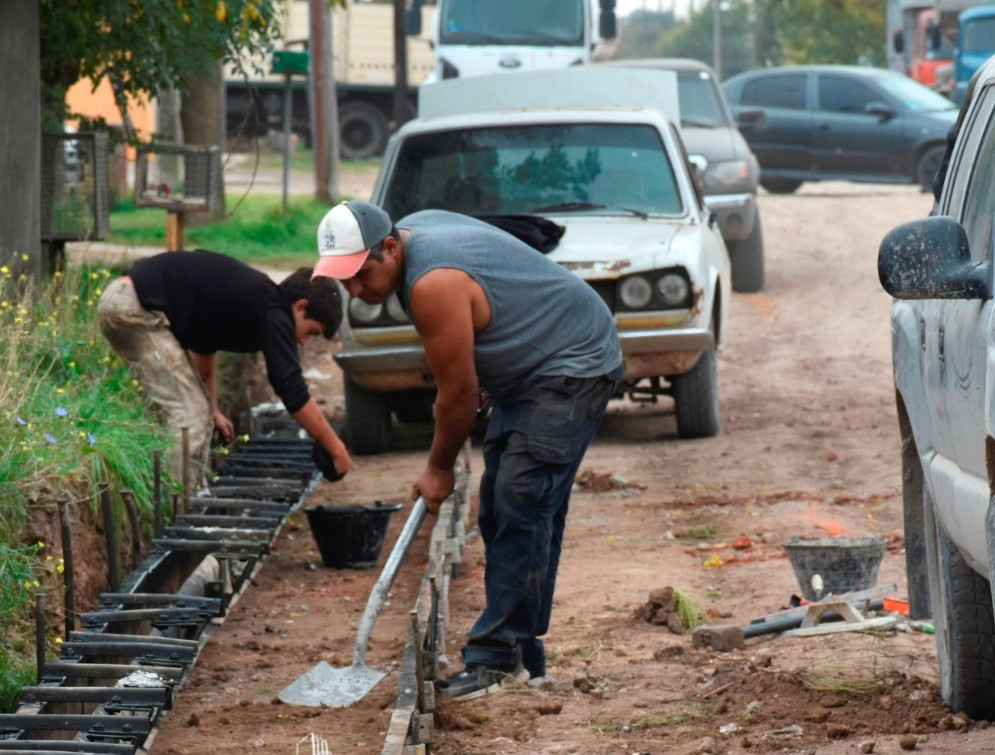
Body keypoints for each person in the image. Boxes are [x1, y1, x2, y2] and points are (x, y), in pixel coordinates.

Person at [312, 200, 624, 699]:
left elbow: (457, 394)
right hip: (531, 372)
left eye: (360, 274)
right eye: (341, 279)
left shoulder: (433, 282)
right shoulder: (415, 232)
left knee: (522, 499)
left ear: (390, 247)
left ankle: (497, 659)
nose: (353, 291)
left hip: (572, 362)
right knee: (505, 507)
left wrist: (438, 468)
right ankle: (523, 654)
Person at [97, 250, 351, 489]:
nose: (303, 341)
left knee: (198, 412)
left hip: (129, 302)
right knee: (189, 416)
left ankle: (180, 493)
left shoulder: (256, 301)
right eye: (311, 331)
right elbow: (291, 388)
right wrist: (335, 447)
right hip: (133, 309)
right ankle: (174, 507)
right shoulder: (275, 311)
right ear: (300, 306)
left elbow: (204, 347)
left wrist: (213, 408)